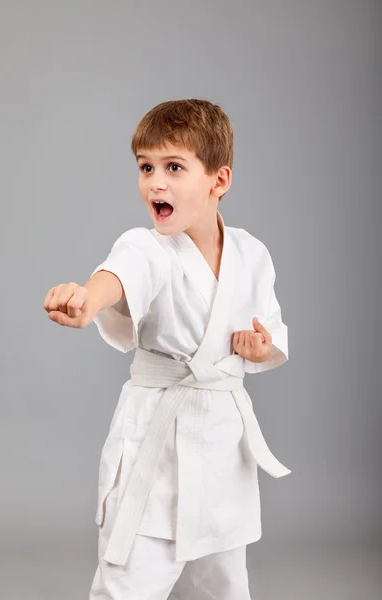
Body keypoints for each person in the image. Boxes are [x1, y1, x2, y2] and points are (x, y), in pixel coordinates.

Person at [43, 98, 291, 599]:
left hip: (223, 448)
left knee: (224, 586)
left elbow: (270, 331)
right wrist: (88, 300)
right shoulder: (146, 246)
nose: (155, 182)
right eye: (146, 167)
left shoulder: (252, 254)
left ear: (218, 181)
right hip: (155, 446)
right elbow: (118, 276)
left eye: (174, 167)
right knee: (128, 583)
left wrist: (259, 348)